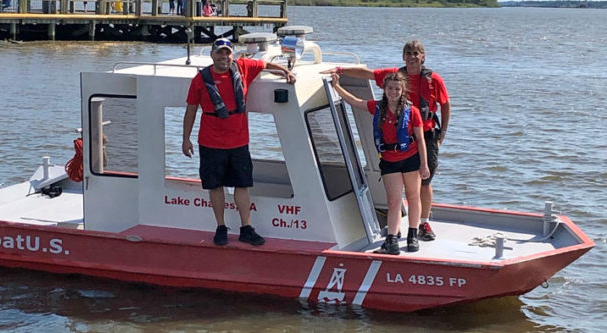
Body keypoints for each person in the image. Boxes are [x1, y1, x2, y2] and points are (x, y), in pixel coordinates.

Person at [321, 40, 450, 242]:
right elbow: (368, 75)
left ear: (423, 56)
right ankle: (395, 227)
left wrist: (442, 133)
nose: (412, 56)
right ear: (403, 56)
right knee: (396, 193)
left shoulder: (433, 79)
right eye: (408, 53)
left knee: (424, 182)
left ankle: (422, 223)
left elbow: (445, 104)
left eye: (416, 53)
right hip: (399, 138)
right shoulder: (394, 76)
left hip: (425, 135)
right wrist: (339, 70)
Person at [182, 38, 296, 246]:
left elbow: (265, 64)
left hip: (239, 141)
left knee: (242, 185)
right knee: (215, 186)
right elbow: (190, 110)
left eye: (227, 53)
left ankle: (246, 227)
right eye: (219, 53)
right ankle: (221, 227)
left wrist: (285, 72)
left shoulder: (243, 67)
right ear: (212, 55)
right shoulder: (200, 80)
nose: (224, 57)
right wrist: (185, 139)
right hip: (210, 142)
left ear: (232, 55)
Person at [329, 71, 430, 254]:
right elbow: (355, 102)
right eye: (390, 88)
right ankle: (391, 239)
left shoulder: (412, 111)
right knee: (393, 201)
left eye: (397, 89)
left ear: (403, 90)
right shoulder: (377, 107)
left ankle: (412, 235)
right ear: (384, 89)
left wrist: (424, 164)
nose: (393, 92)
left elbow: (421, 139)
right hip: (389, 160)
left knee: (413, 196)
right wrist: (336, 86)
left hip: (410, 158)